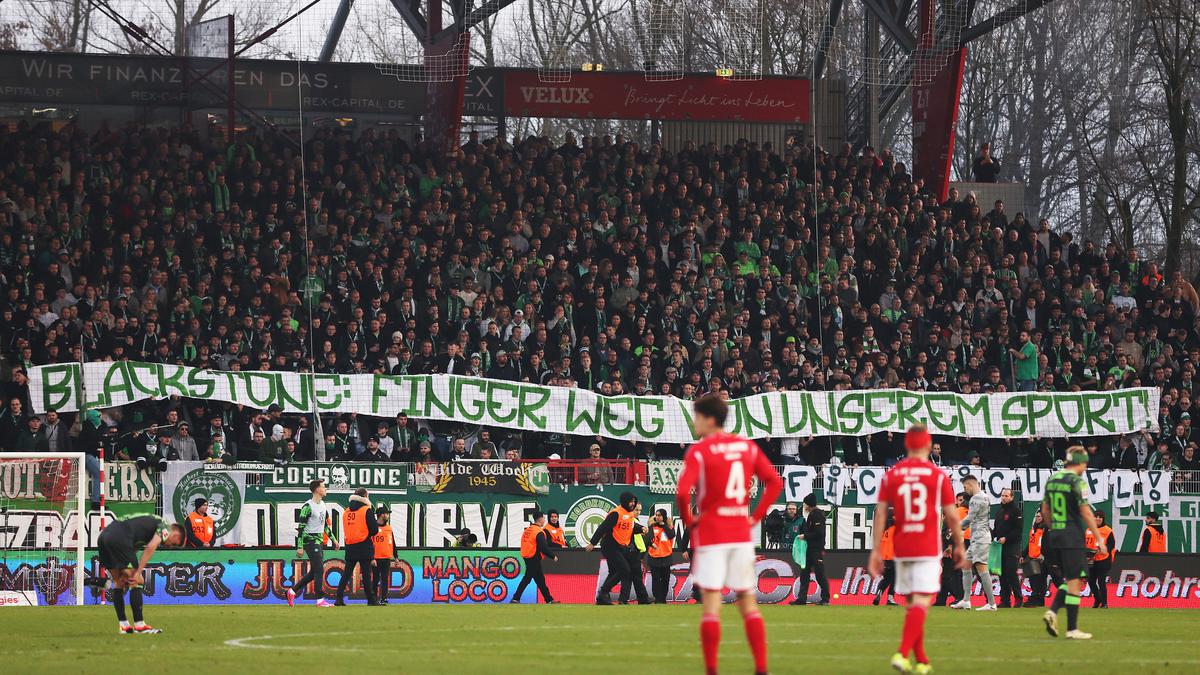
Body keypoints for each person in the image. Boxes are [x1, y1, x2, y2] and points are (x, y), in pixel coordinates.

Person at [674, 393, 783, 675]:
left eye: (696, 416)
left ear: (709, 419)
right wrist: (755, 517)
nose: (694, 421)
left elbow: (682, 492)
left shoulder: (699, 450)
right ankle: (761, 668)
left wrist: (690, 522)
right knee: (747, 601)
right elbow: (774, 482)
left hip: (711, 534)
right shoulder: (745, 447)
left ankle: (712, 669)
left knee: (711, 604)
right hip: (740, 534)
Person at [870, 424, 965, 674]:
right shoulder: (938, 476)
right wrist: (959, 545)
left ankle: (921, 660)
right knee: (922, 602)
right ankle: (902, 653)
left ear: (907, 445)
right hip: (926, 544)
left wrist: (875, 550)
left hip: (902, 545)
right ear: (927, 445)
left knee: (913, 604)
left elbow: (880, 512)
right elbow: (952, 516)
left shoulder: (892, 474)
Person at [1041, 446, 1107, 640]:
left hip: (1055, 535)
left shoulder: (1053, 479)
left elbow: (1045, 508)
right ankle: (1068, 625)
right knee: (1075, 582)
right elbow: (1086, 511)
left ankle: (1058, 617)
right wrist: (1098, 538)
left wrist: (1053, 526)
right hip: (1072, 535)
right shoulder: (1077, 482)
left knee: (1071, 581)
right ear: (1080, 463)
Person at [97, 515, 186, 634]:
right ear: (175, 534)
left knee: (120, 582)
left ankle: (124, 626)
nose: (170, 546)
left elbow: (133, 548)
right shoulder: (165, 527)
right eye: (174, 544)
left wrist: (129, 569)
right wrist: (137, 572)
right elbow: (150, 547)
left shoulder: (146, 528)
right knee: (138, 581)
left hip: (104, 537)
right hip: (119, 538)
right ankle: (140, 625)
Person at [586, 491, 644, 605]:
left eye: (634, 501)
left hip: (620, 547)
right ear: (625, 501)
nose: (633, 504)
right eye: (631, 501)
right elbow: (603, 527)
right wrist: (593, 542)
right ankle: (603, 593)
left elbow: (630, 528)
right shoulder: (616, 513)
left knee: (614, 572)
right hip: (610, 546)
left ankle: (601, 598)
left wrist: (641, 529)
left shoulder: (630, 514)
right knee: (625, 570)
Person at [951, 475, 997, 610]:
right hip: (977, 537)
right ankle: (966, 600)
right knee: (966, 565)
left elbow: (969, 519)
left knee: (981, 567)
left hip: (980, 537)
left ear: (971, 484)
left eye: (965, 487)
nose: (965, 490)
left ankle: (992, 603)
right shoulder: (985, 496)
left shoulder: (976, 499)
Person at [287, 479, 335, 607]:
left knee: (314, 571)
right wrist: (300, 546)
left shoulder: (323, 505)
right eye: (323, 487)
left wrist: (333, 539)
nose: (325, 489)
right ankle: (320, 600)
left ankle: (292, 591)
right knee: (320, 569)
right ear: (317, 490)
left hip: (319, 540)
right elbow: (301, 528)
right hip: (310, 541)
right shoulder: (307, 507)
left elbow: (324, 525)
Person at [336, 487, 380, 606]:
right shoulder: (366, 510)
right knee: (366, 573)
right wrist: (365, 534)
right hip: (364, 545)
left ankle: (339, 598)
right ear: (365, 496)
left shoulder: (346, 511)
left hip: (350, 545)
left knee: (346, 573)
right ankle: (371, 599)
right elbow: (374, 530)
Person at [512, 511, 558, 603]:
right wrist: (553, 556)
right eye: (544, 518)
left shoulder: (528, 530)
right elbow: (543, 547)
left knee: (540, 580)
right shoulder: (539, 532)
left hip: (527, 556)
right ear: (540, 519)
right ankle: (515, 598)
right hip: (534, 557)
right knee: (527, 578)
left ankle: (549, 599)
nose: (544, 520)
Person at [792, 493, 829, 606]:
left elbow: (819, 533)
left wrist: (805, 536)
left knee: (819, 574)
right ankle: (801, 599)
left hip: (816, 550)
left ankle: (825, 598)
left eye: (805, 503)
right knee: (804, 573)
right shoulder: (811, 515)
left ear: (809, 504)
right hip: (809, 550)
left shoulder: (817, 515)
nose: (804, 506)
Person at [992, 487, 1023, 607]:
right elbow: (996, 529)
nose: (1004, 498)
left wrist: (1006, 538)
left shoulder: (1016, 511)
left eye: (1006, 496)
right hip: (1000, 547)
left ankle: (1018, 598)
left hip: (1012, 546)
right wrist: (991, 535)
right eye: (1002, 495)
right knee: (1002, 574)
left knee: (1011, 572)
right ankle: (1005, 601)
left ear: (1011, 497)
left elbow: (1018, 530)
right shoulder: (999, 511)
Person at [618, 503, 652, 605]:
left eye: (640, 510)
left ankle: (624, 599)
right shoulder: (630, 520)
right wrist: (641, 528)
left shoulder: (633, 520)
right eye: (636, 510)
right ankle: (642, 599)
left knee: (629, 576)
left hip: (632, 552)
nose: (638, 512)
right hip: (631, 552)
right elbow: (635, 529)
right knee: (636, 576)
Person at [1086, 510, 1115, 609]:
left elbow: (1111, 545)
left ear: (1103, 519)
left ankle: (1105, 603)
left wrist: (1102, 549)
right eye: (1096, 517)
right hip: (1091, 559)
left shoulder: (1107, 530)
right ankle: (1098, 599)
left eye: (1100, 517)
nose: (1098, 519)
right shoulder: (1088, 529)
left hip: (1104, 559)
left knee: (1101, 581)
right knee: (1091, 581)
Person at [647, 509, 676, 604]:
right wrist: (651, 524)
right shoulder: (652, 527)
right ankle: (657, 598)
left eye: (659, 515)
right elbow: (649, 537)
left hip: (666, 556)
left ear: (664, 516)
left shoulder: (668, 527)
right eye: (656, 515)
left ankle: (663, 598)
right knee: (655, 579)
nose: (657, 517)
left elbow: (671, 535)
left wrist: (664, 525)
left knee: (665, 579)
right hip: (654, 556)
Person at [373, 505, 396, 604]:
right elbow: (369, 543)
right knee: (375, 579)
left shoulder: (389, 528)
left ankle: (384, 598)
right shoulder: (373, 528)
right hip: (376, 558)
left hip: (386, 558)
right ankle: (373, 599)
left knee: (385, 579)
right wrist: (371, 557)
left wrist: (396, 556)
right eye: (386, 514)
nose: (388, 516)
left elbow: (393, 543)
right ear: (381, 515)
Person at [873, 512, 896, 606]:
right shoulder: (896, 530)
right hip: (893, 558)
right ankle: (890, 598)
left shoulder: (885, 531)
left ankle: (879, 592)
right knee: (895, 578)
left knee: (886, 579)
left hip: (884, 559)